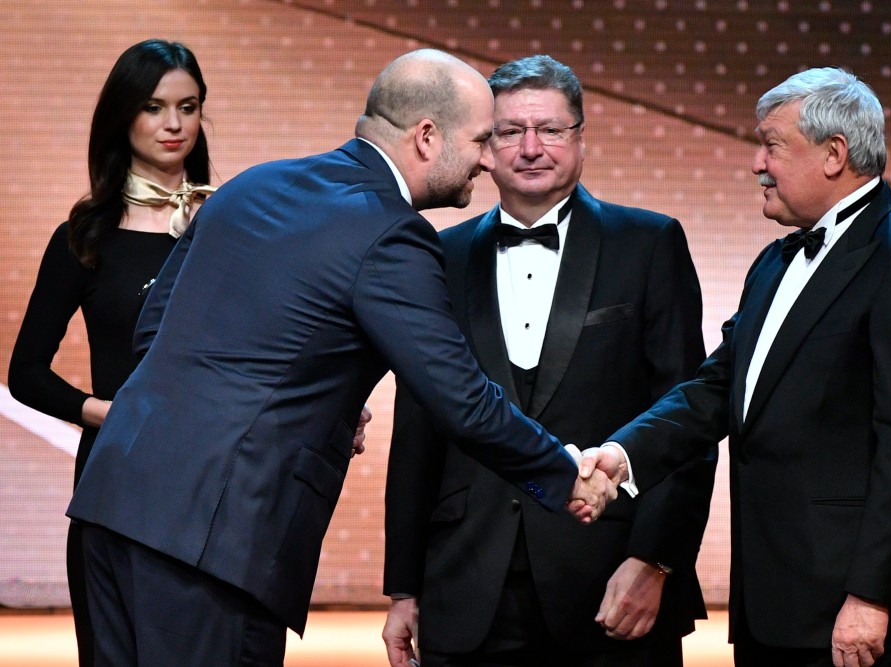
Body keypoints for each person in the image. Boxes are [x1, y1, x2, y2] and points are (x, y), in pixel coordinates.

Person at [64, 48, 616, 666]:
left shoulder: (255, 183)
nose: (490, 160)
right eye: (482, 140)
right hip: (212, 537)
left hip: (113, 505)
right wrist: (563, 474)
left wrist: (318, 404)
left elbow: (155, 330)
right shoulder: (391, 233)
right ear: (427, 137)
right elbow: (461, 400)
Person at [581, 67, 891, 667]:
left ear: (834, 154)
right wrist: (624, 454)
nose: (756, 163)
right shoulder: (774, 260)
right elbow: (716, 387)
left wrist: (872, 596)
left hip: (850, 610)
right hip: (769, 601)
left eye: (771, 145)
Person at [381, 55, 715, 667]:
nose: (531, 148)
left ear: (581, 138)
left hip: (610, 580)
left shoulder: (648, 244)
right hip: (466, 581)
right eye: (510, 131)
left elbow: (686, 417)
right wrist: (404, 587)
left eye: (551, 130)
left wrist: (656, 560)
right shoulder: (438, 255)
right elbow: (417, 429)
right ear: (484, 146)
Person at [7, 39, 215, 667]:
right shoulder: (86, 235)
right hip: (117, 478)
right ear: (123, 117)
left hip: (213, 481)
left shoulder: (231, 225)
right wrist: (104, 413)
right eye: (153, 107)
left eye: (188, 107)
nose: (174, 124)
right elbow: (26, 373)